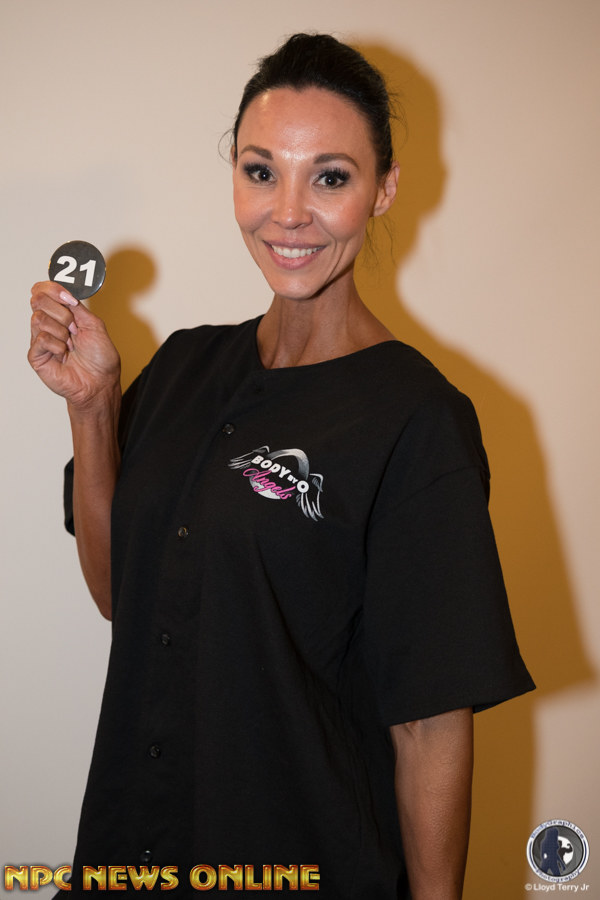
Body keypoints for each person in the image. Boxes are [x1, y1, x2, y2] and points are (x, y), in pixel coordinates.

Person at [28, 32, 534, 900]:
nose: (288, 213)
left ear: (384, 189)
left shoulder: (417, 418)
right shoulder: (183, 367)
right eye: (261, 171)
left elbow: (430, 724)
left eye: (330, 177)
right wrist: (93, 407)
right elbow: (122, 596)